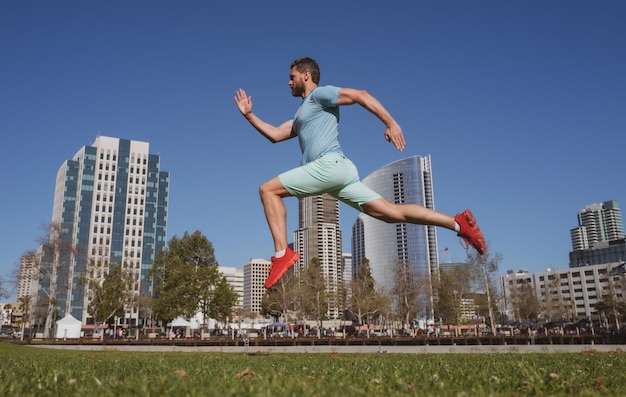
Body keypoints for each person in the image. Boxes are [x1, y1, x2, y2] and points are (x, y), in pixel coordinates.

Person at [234, 57, 486, 289]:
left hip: (329, 166)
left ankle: (281, 254)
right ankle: (457, 223)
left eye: (292, 76)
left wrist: (391, 122)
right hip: (340, 175)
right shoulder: (301, 114)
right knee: (390, 213)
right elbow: (276, 134)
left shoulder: (319, 95)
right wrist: (249, 116)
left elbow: (360, 95)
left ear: (307, 75)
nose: (289, 82)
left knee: (267, 190)